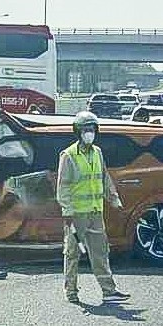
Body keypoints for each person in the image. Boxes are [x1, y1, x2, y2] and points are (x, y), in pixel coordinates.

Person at [57, 111, 130, 304]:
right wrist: (67, 211)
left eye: (92, 129)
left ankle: (109, 291)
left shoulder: (97, 152)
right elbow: (63, 186)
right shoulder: (69, 155)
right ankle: (71, 291)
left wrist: (114, 200)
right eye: (85, 129)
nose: (89, 133)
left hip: (96, 212)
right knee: (72, 253)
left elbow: (104, 178)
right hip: (76, 215)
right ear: (78, 132)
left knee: (100, 252)